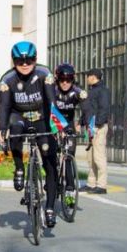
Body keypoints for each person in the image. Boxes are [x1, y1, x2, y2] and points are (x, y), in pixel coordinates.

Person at [0, 41, 59, 228]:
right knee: (13, 130)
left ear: (35, 59)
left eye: (29, 60)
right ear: (13, 61)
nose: (24, 64)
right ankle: (20, 168)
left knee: (50, 163)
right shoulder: (7, 80)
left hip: (42, 117)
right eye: (19, 60)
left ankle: (49, 209)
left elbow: (52, 102)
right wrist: (2, 129)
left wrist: (57, 127)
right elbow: (4, 107)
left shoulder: (44, 75)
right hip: (19, 116)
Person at [54, 63, 93, 203]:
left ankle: (70, 189)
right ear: (57, 79)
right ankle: (51, 178)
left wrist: (91, 131)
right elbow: (48, 110)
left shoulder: (78, 92)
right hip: (52, 122)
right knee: (50, 155)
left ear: (73, 79)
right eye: (62, 80)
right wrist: (57, 129)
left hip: (69, 123)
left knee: (69, 157)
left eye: (68, 80)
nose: (65, 83)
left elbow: (88, 112)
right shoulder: (52, 90)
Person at [79, 68, 110, 194]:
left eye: (88, 76)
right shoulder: (92, 91)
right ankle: (91, 183)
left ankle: (102, 185)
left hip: (98, 127)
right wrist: (80, 123)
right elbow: (88, 110)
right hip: (90, 127)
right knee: (90, 157)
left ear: (93, 77)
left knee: (98, 156)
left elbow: (104, 109)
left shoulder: (102, 91)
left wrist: (97, 125)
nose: (87, 78)